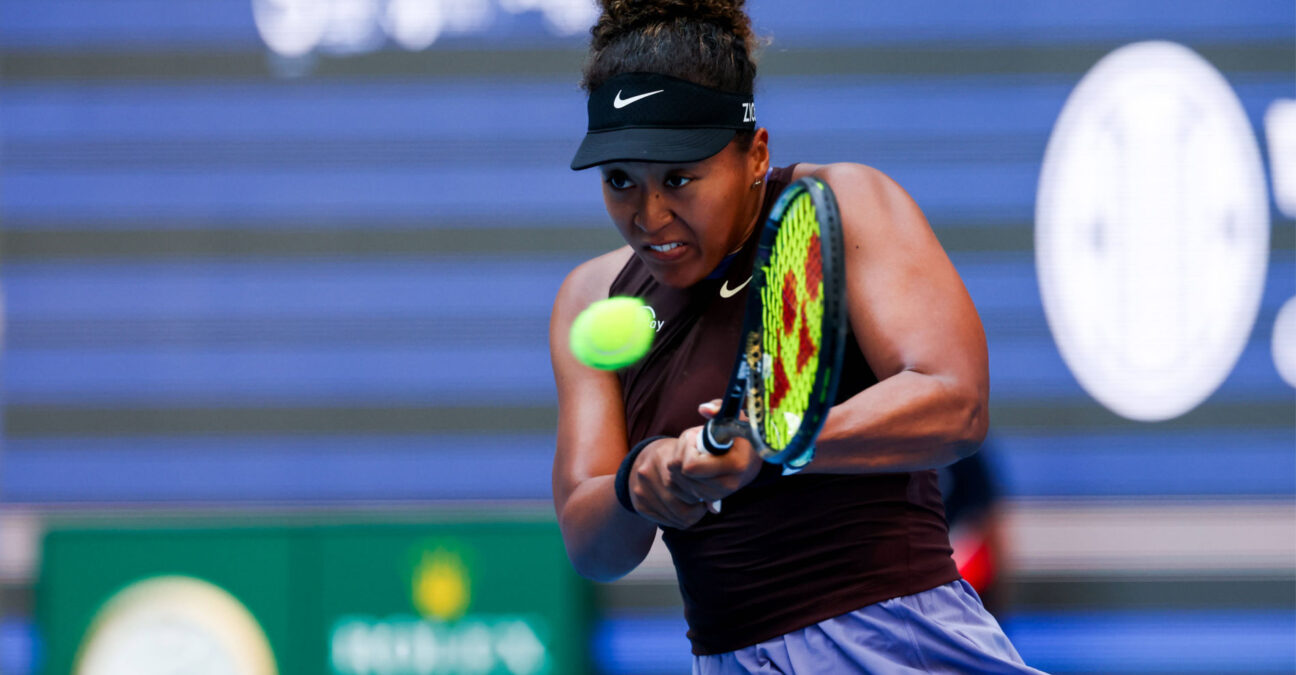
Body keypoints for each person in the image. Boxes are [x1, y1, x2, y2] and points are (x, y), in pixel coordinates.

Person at [549, 1, 1043, 672]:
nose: (650, 214)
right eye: (620, 181)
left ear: (756, 153)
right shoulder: (590, 296)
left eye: (680, 178)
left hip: (899, 644)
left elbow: (957, 402)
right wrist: (641, 481)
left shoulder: (846, 202)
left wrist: (772, 440)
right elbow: (591, 544)